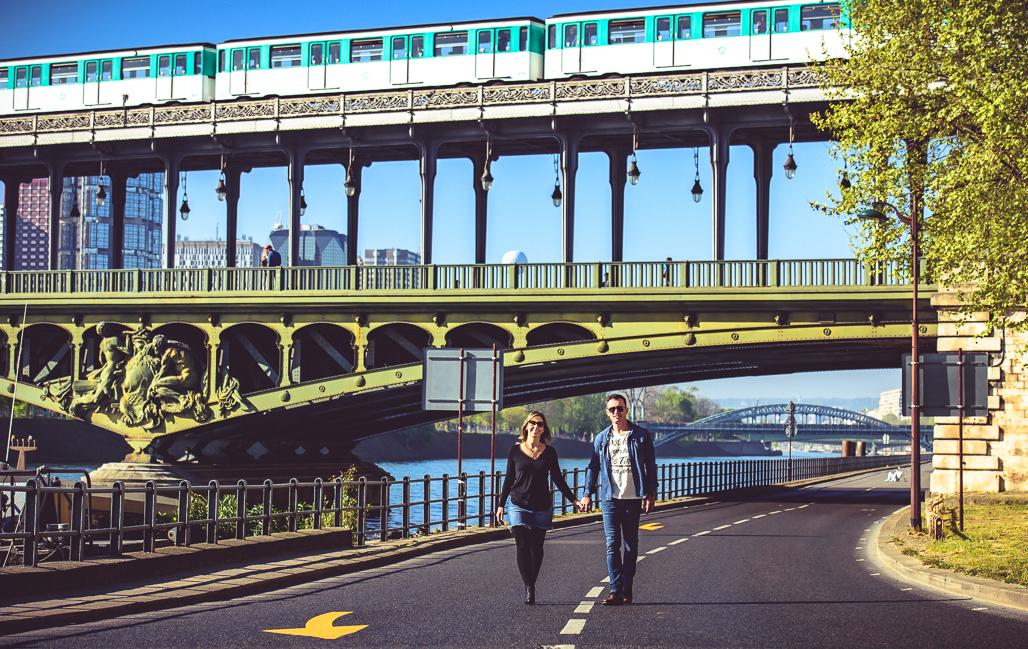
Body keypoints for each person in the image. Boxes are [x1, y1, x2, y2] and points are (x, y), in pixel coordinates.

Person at [496, 411, 584, 605]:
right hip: (518, 503)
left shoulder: (550, 452)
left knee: (537, 548)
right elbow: (509, 479)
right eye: (533, 423)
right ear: (526, 426)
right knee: (522, 546)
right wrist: (501, 505)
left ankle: (532, 583)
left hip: (542, 505)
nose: (536, 427)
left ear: (544, 429)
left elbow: (558, 479)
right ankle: (528, 587)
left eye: (540, 424)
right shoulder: (515, 451)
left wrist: (574, 500)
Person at [580, 393, 658, 606]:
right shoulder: (602, 438)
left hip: (633, 498)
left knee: (631, 546)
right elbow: (593, 467)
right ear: (607, 412)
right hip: (609, 499)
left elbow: (650, 466)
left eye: (620, 408)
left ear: (626, 410)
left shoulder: (641, 435)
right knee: (612, 545)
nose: (616, 412)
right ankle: (615, 590)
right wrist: (587, 494)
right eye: (612, 409)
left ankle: (627, 585)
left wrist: (650, 494)